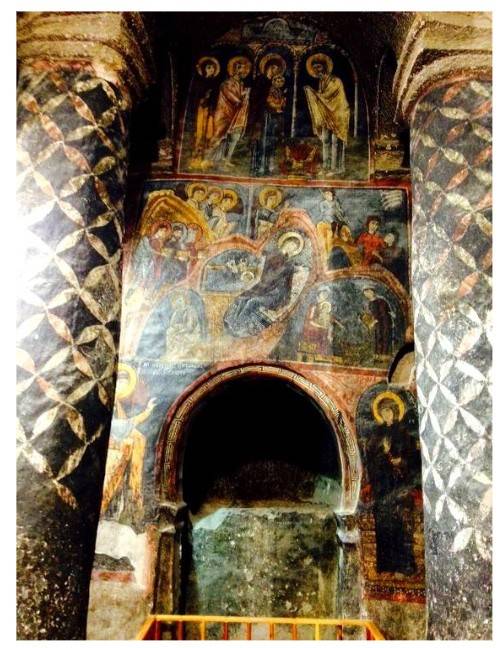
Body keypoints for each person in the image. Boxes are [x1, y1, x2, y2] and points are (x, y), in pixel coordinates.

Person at [366, 394, 421, 575]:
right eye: (383, 411)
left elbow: (413, 458)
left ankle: (405, 564)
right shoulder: (376, 434)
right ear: (379, 414)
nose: (386, 414)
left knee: (401, 523)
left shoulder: (403, 432)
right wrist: (383, 454)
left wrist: (401, 461)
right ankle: (386, 564)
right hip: (382, 485)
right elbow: (370, 459)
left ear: (395, 412)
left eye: (389, 411)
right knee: (383, 522)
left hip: (399, 485)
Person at [223, 230, 310, 337]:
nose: (291, 247)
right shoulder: (271, 256)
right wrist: (260, 286)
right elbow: (265, 275)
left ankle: (238, 327)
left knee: (252, 302)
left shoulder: (290, 265)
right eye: (290, 244)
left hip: (275, 295)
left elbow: (288, 283)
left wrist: (285, 299)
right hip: (264, 287)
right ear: (284, 243)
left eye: (293, 247)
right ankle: (231, 321)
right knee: (242, 298)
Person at [101, 364, 156, 527]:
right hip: (112, 450)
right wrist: (145, 413)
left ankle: (134, 500)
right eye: (120, 383)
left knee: (138, 439)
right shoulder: (108, 399)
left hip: (120, 448)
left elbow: (125, 429)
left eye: (125, 383)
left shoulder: (118, 404)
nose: (122, 387)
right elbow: (118, 427)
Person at [304, 53, 350, 175]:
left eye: (318, 67)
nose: (316, 70)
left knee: (335, 141)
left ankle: (335, 168)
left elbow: (326, 96)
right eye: (314, 68)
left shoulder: (335, 81)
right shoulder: (321, 82)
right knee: (325, 140)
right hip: (326, 114)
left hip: (338, 114)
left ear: (325, 67)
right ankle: (326, 166)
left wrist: (312, 92)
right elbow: (322, 100)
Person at [204, 56, 252, 169]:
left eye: (246, 69)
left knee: (234, 136)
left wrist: (245, 95)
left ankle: (226, 159)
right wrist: (241, 98)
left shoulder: (241, 84)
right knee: (219, 136)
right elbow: (231, 96)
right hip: (224, 114)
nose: (245, 71)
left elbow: (241, 98)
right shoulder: (225, 83)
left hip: (236, 115)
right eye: (242, 68)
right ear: (236, 69)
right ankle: (207, 159)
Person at [247, 54, 287, 175]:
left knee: (269, 140)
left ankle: (266, 167)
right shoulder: (260, 80)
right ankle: (256, 167)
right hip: (260, 115)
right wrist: (267, 103)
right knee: (259, 140)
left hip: (270, 116)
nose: (276, 72)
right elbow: (256, 98)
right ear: (269, 67)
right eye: (274, 68)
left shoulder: (273, 84)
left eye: (278, 70)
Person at [190, 57, 220, 168]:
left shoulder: (215, 84)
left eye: (213, 68)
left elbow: (216, 99)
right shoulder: (199, 82)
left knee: (209, 133)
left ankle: (207, 159)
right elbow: (195, 97)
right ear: (204, 69)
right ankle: (196, 158)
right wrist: (203, 98)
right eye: (209, 67)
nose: (211, 70)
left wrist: (211, 104)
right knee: (199, 132)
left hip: (210, 111)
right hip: (200, 110)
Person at [302, 287, 345, 356]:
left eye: (326, 294)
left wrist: (339, 324)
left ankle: (323, 354)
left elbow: (330, 318)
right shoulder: (314, 306)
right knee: (323, 336)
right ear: (318, 295)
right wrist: (322, 327)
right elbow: (310, 320)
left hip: (322, 330)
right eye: (323, 294)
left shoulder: (325, 307)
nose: (325, 296)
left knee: (329, 333)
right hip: (312, 329)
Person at [162, 293, 202, 360]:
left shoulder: (190, 310)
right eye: (177, 301)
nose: (179, 303)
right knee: (169, 331)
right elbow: (172, 324)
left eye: (180, 300)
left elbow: (190, 327)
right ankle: (172, 352)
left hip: (191, 333)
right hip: (181, 330)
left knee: (178, 337)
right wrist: (176, 327)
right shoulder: (177, 311)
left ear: (184, 300)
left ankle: (182, 354)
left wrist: (179, 331)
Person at [361, 287, 395, 358]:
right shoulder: (370, 303)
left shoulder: (381, 301)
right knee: (377, 337)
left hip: (385, 323)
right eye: (365, 293)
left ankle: (385, 356)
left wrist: (373, 322)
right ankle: (377, 355)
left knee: (385, 337)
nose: (366, 295)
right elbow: (372, 315)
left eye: (367, 292)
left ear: (372, 292)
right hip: (377, 323)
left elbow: (383, 314)